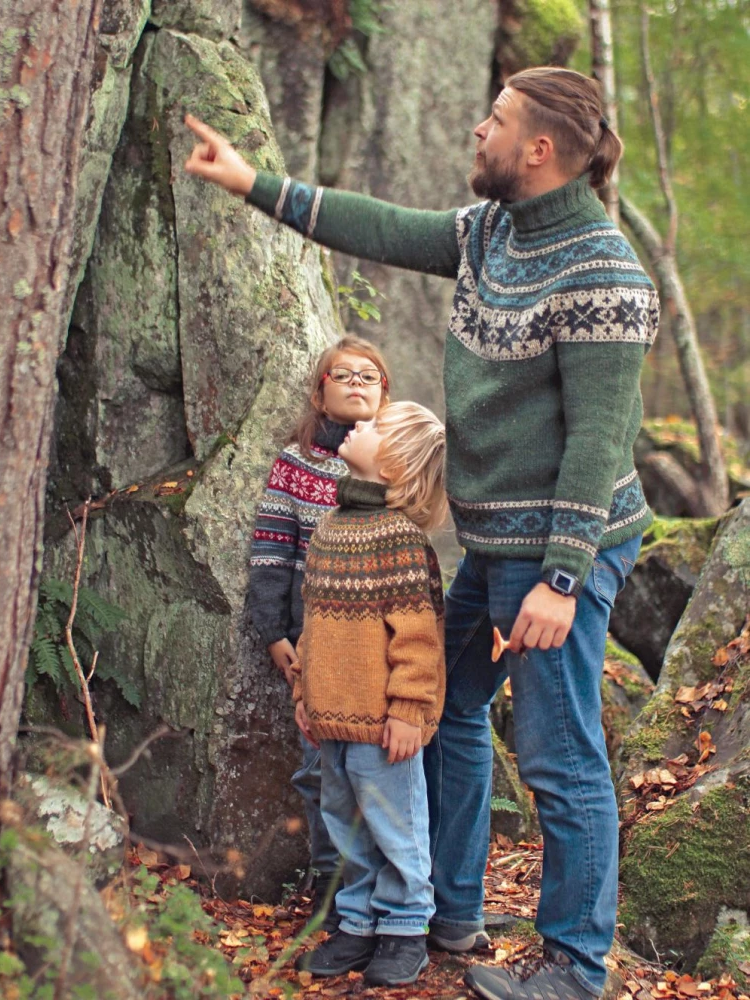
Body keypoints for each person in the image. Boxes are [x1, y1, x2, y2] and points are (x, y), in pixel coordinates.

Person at [185, 65, 660, 1000]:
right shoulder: (490, 232)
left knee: (560, 758)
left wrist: (561, 581)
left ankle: (574, 967)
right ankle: (447, 910)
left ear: (538, 148)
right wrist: (250, 183)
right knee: (444, 706)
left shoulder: (605, 275)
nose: (478, 130)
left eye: (496, 119)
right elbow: (383, 227)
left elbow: (599, 441)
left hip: (563, 546)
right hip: (496, 546)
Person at [293, 401, 448, 987]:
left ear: (395, 466)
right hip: (331, 717)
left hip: (385, 724)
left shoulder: (401, 541)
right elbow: (313, 626)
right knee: (345, 824)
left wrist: (410, 710)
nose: (360, 424)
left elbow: (419, 638)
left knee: (394, 825)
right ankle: (357, 923)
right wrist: (304, 695)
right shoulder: (330, 528)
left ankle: (406, 926)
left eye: (376, 426)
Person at [248, 335, 390, 929]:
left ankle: (385, 893)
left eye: (369, 376)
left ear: (385, 392)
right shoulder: (297, 463)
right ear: (320, 391)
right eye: (344, 375)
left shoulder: (401, 457)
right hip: (313, 648)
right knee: (320, 770)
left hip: (381, 650)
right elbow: (271, 551)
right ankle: (331, 890)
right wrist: (273, 632)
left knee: (377, 774)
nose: (357, 384)